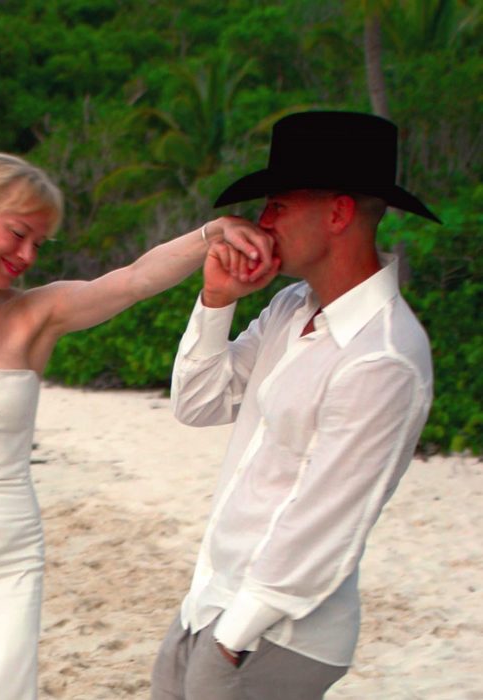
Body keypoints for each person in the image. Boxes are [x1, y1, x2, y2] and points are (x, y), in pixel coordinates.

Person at [0, 152, 275, 700]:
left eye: (38, 243)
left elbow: (132, 280)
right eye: (17, 233)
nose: (26, 255)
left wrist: (211, 234)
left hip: (13, 554)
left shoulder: (36, 316)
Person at [150, 111, 440, 700]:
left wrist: (233, 640)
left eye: (278, 204)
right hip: (210, 601)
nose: (261, 222)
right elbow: (199, 403)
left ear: (337, 214)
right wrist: (216, 299)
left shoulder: (384, 355)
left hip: (272, 634)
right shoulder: (289, 307)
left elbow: (326, 521)